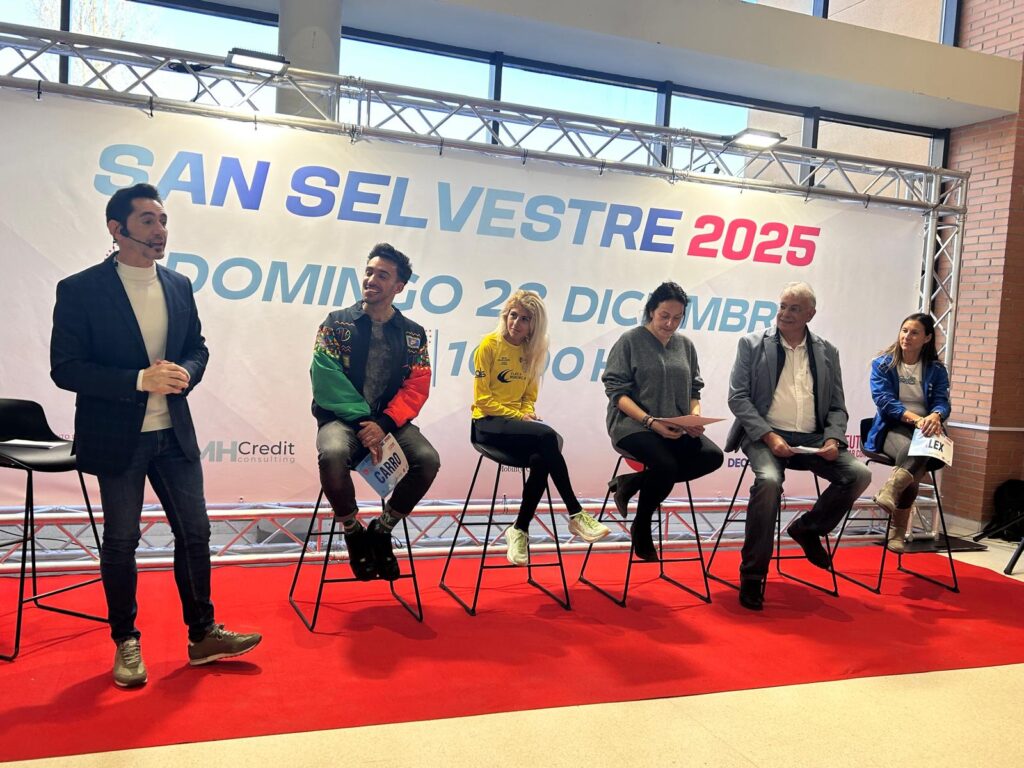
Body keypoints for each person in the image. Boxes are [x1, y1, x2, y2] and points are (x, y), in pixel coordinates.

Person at [50, 183, 261, 689]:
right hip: (118, 436)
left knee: (196, 533)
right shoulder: (80, 289)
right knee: (122, 541)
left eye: (162, 220)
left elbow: (197, 347)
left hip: (174, 434)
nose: (160, 229)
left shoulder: (178, 284)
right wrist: (137, 380)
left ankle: (203, 634)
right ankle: (126, 639)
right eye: (147, 220)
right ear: (116, 228)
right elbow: (65, 367)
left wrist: (187, 372)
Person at [726, 281, 871, 611]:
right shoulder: (751, 344)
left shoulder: (827, 351)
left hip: (813, 439)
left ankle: (808, 529)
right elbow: (738, 398)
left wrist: (833, 438)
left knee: (859, 474)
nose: (785, 314)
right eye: (782, 306)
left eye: (794, 308)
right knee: (768, 482)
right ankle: (752, 575)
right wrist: (769, 436)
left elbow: (837, 406)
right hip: (765, 435)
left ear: (810, 314)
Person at [311, 243, 440, 582]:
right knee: (333, 453)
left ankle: (381, 531)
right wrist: (363, 423)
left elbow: (417, 386)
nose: (371, 280)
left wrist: (383, 423)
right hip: (342, 420)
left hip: (390, 422)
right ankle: (354, 532)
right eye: (369, 272)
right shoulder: (336, 323)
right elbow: (325, 377)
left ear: (399, 286)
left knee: (428, 460)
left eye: (382, 275)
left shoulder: (413, 334)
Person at [472, 290, 610, 565]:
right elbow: (482, 400)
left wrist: (525, 413)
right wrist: (518, 416)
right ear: (505, 315)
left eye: (524, 319)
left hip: (513, 424)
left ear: (534, 325)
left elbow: (528, 396)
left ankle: (519, 529)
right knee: (549, 437)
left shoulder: (532, 352)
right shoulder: (489, 345)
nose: (516, 323)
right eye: (513, 315)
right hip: (486, 424)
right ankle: (576, 513)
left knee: (542, 456)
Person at [602, 282, 724, 561]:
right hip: (633, 425)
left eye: (677, 318)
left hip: (675, 425)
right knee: (665, 465)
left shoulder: (686, 345)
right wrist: (651, 422)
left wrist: (694, 416)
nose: (670, 323)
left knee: (712, 456)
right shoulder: (630, 341)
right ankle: (642, 525)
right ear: (651, 311)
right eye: (664, 316)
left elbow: (694, 390)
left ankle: (631, 483)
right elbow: (617, 393)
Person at [865, 313, 951, 552]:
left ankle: (892, 490)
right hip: (893, 426)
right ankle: (898, 530)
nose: (907, 337)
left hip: (927, 428)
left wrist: (935, 416)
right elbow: (884, 401)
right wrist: (918, 420)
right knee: (913, 457)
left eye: (914, 333)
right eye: (904, 331)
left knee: (915, 455)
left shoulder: (936, 369)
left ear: (927, 338)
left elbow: (942, 401)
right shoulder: (883, 364)